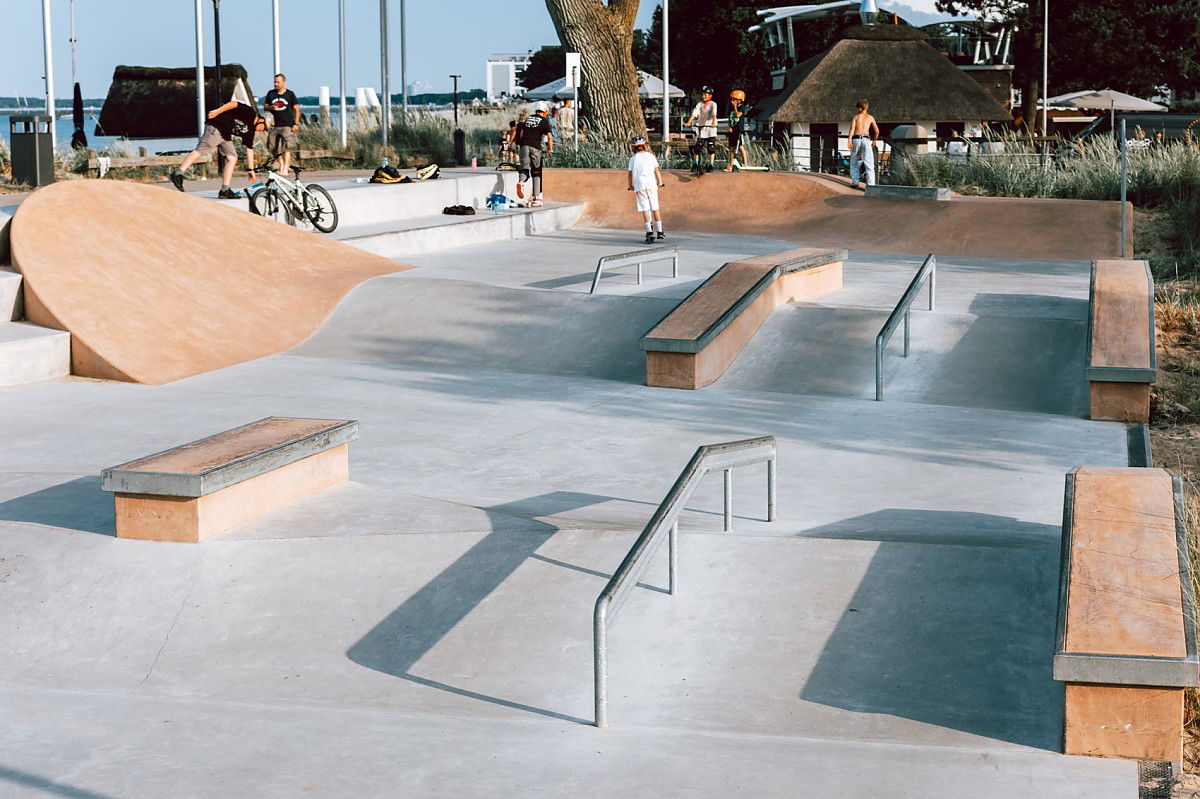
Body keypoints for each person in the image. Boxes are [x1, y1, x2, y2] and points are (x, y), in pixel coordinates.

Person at [171, 100, 266, 198]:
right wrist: (217, 111)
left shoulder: (250, 132)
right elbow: (234, 104)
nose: (262, 130)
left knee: (232, 158)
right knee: (201, 150)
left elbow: (249, 149)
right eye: (264, 128)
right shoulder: (250, 113)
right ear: (262, 120)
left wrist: (251, 170)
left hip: (225, 135)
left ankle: (225, 190)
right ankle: (178, 172)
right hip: (217, 126)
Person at [627, 136, 666, 244]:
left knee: (645, 207)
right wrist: (660, 182)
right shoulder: (651, 156)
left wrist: (630, 185)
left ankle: (649, 231)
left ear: (634, 147)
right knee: (655, 207)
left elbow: (630, 174)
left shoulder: (633, 159)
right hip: (651, 183)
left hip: (640, 184)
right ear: (644, 146)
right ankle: (660, 231)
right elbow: (656, 170)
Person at [515, 101, 553, 206]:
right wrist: (550, 149)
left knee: (524, 170)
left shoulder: (528, 118)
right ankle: (536, 198)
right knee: (536, 172)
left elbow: (521, 132)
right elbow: (550, 137)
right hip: (535, 147)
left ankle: (521, 182)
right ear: (544, 111)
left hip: (524, 146)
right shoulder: (544, 121)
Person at [263, 73, 300, 175]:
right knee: (272, 147)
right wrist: (271, 107)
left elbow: (297, 109)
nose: (276, 84)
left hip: (287, 125)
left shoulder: (290, 94)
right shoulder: (271, 93)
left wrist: (296, 124)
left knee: (287, 147)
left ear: (284, 82)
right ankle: (281, 163)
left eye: (278, 82)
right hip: (274, 125)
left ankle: (285, 168)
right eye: (275, 82)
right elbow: (265, 107)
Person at [684, 86, 719, 173]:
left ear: (710, 95)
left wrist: (713, 123)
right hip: (701, 128)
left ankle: (711, 165)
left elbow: (714, 114)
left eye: (706, 95)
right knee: (698, 147)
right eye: (703, 94)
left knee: (711, 147)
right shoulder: (699, 104)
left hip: (711, 128)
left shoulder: (713, 104)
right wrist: (689, 122)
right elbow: (694, 113)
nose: (704, 96)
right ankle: (696, 163)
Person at [848, 99, 879, 188]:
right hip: (866, 139)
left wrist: (849, 140)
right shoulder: (870, 117)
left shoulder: (856, 117)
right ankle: (871, 185)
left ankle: (855, 181)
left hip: (856, 139)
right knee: (869, 164)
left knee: (854, 161)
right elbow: (877, 131)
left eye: (857, 108)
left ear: (860, 108)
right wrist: (874, 140)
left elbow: (852, 129)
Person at [724, 89, 749, 171]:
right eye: (732, 99)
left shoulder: (742, 107)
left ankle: (745, 164)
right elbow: (730, 118)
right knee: (731, 148)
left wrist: (735, 107)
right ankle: (731, 165)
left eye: (734, 99)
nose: (733, 101)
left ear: (740, 100)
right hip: (732, 130)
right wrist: (729, 126)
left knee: (740, 148)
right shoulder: (730, 108)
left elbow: (738, 115)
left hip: (739, 131)